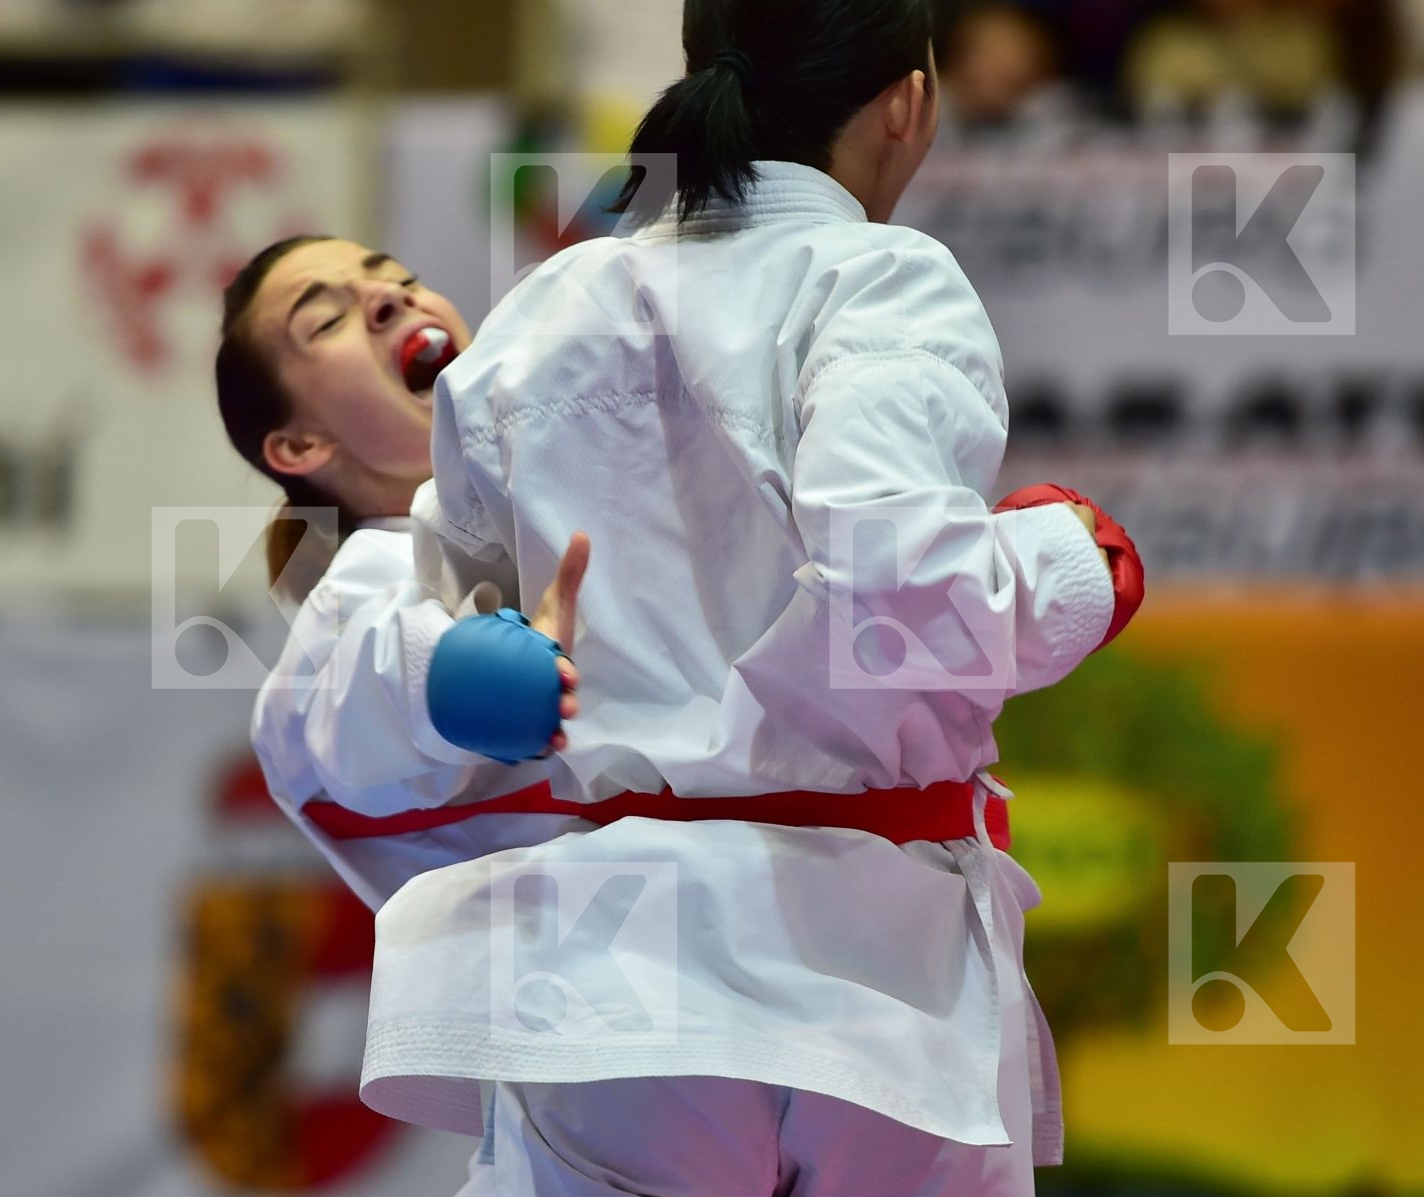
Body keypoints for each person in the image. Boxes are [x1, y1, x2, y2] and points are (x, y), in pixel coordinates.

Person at [337, 0, 1143, 1194]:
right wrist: (1076, 565)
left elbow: (460, 656)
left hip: (609, 983)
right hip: (863, 983)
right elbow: (898, 588)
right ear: (910, 105)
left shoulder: (541, 313)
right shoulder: (882, 278)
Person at [215, 235, 586, 1195]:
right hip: (599, 1092)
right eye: (328, 318)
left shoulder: (585, 495)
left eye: (396, 277)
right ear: (301, 448)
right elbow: (363, 707)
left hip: (783, 1019)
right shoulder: (360, 598)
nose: (383, 297)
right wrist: (457, 678)